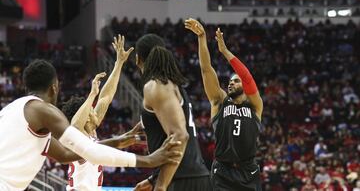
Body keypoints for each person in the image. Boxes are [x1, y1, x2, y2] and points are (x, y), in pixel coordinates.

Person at [0, 35, 181, 191]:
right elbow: (89, 149)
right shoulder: (47, 113)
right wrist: (148, 160)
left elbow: (65, 155)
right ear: (54, 87)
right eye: (91, 112)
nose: (96, 115)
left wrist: (118, 64)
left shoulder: (13, 111)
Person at [59, 35, 146, 191]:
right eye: (91, 109)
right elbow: (74, 125)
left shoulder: (89, 132)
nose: (95, 111)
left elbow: (105, 97)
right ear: (85, 117)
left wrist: (119, 64)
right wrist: (91, 95)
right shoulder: (78, 138)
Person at [185, 18, 263, 191]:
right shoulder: (219, 101)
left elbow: (247, 77)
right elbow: (206, 69)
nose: (231, 83)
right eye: (229, 82)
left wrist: (225, 51)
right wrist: (202, 38)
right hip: (223, 172)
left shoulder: (255, 105)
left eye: (236, 81)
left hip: (248, 172)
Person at [134, 34, 210, 191]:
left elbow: (180, 136)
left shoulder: (156, 85)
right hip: (194, 177)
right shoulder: (172, 86)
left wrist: (161, 184)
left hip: (180, 180)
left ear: (137, 59)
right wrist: (154, 179)